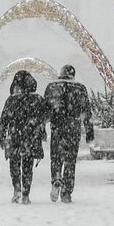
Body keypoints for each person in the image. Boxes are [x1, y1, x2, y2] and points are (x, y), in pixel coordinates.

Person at [43, 65, 94, 203]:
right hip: (73, 128)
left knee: (56, 157)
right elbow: (86, 112)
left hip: (57, 128)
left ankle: (56, 178)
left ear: (62, 73)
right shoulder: (80, 88)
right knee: (70, 161)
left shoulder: (52, 87)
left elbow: (44, 110)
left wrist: (42, 127)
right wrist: (89, 132)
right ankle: (66, 192)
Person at [0, 70, 50, 203]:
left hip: (15, 136)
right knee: (28, 166)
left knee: (14, 164)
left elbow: (4, 120)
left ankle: (17, 190)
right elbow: (47, 114)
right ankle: (26, 194)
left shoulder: (12, 100)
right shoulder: (38, 99)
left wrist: (1, 136)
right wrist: (39, 125)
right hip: (32, 136)